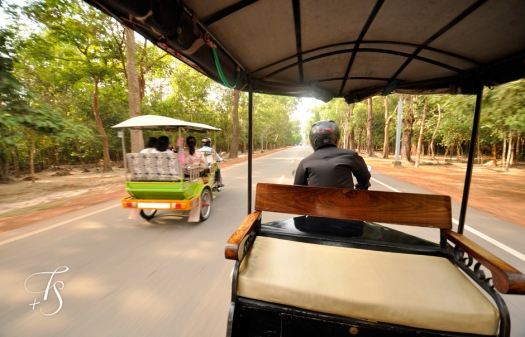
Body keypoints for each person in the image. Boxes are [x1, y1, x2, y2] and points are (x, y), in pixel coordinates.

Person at [293, 120, 371, 189]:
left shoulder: (305, 162)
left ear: (312, 140)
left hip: (316, 204)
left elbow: (297, 189)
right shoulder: (351, 156)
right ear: (336, 137)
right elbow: (365, 179)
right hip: (345, 203)